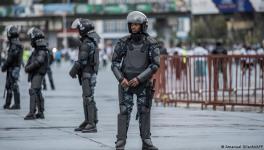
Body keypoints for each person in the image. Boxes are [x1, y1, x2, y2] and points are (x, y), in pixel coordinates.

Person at [111, 11, 159, 150]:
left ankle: (146, 141)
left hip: (143, 84)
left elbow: (155, 65)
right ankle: (120, 142)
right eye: (131, 24)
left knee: (144, 110)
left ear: (143, 26)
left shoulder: (152, 43)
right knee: (124, 111)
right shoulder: (123, 42)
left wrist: (139, 78)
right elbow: (114, 63)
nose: (133, 27)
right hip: (125, 83)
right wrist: (121, 79)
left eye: (136, 24)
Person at [69, 18, 100, 133]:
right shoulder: (91, 41)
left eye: (78, 29)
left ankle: (91, 123)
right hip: (89, 73)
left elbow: (82, 61)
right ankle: (89, 121)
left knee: (88, 98)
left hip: (88, 73)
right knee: (87, 97)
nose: (77, 31)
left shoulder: (87, 43)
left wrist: (72, 71)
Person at [24, 27, 49, 120]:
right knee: (37, 91)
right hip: (36, 72)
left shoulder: (41, 50)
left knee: (33, 91)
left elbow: (39, 61)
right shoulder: (38, 49)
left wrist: (28, 68)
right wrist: (28, 67)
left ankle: (32, 112)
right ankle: (40, 112)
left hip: (38, 72)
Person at [1, 25, 23, 109]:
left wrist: (4, 67)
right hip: (14, 67)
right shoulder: (16, 43)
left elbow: (10, 58)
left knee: (13, 85)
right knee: (9, 85)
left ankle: (16, 104)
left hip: (13, 68)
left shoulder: (14, 45)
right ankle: (7, 104)